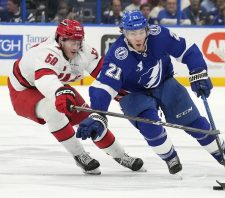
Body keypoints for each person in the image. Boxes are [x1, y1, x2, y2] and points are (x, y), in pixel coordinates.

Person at [75, 10, 225, 175]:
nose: (138, 37)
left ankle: (222, 155)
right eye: (132, 33)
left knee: (193, 122)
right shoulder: (118, 55)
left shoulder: (160, 35)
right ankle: (170, 157)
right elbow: (104, 87)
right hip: (133, 94)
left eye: (141, 31)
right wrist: (97, 115)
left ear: (147, 29)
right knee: (150, 127)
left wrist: (198, 72)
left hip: (164, 83)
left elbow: (188, 50)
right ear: (123, 33)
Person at [7, 19, 144, 175]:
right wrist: (60, 93)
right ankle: (80, 155)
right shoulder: (45, 53)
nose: (76, 46)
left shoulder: (85, 51)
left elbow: (104, 75)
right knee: (52, 111)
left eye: (78, 41)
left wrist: (123, 93)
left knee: (90, 119)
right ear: (60, 39)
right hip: (23, 90)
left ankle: (121, 156)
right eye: (71, 41)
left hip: (56, 85)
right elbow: (45, 79)